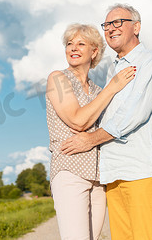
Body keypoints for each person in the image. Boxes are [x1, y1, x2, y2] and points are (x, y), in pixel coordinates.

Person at [61, 4, 152, 240]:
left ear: (136, 27)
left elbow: (134, 113)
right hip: (113, 173)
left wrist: (89, 140)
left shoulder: (150, 61)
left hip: (141, 170)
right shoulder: (111, 70)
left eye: (118, 22)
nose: (111, 28)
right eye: (107, 24)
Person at [46, 23, 136, 240]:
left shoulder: (97, 90)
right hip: (69, 170)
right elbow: (78, 121)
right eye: (69, 44)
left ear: (94, 51)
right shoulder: (58, 79)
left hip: (98, 179)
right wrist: (113, 87)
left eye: (81, 44)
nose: (73, 48)